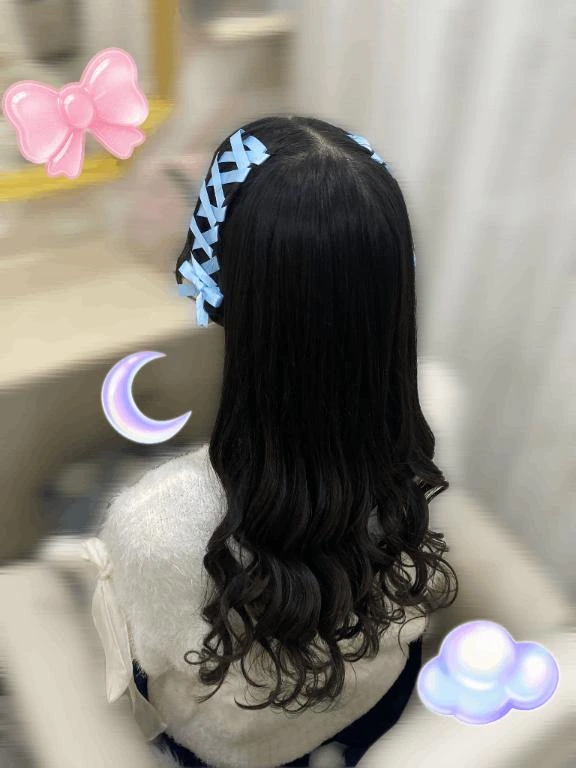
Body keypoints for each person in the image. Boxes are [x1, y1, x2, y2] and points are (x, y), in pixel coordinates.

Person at [84, 115, 457, 768]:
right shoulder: (431, 421)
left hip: (243, 750)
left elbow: (155, 659)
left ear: (223, 280)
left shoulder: (154, 523)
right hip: (383, 698)